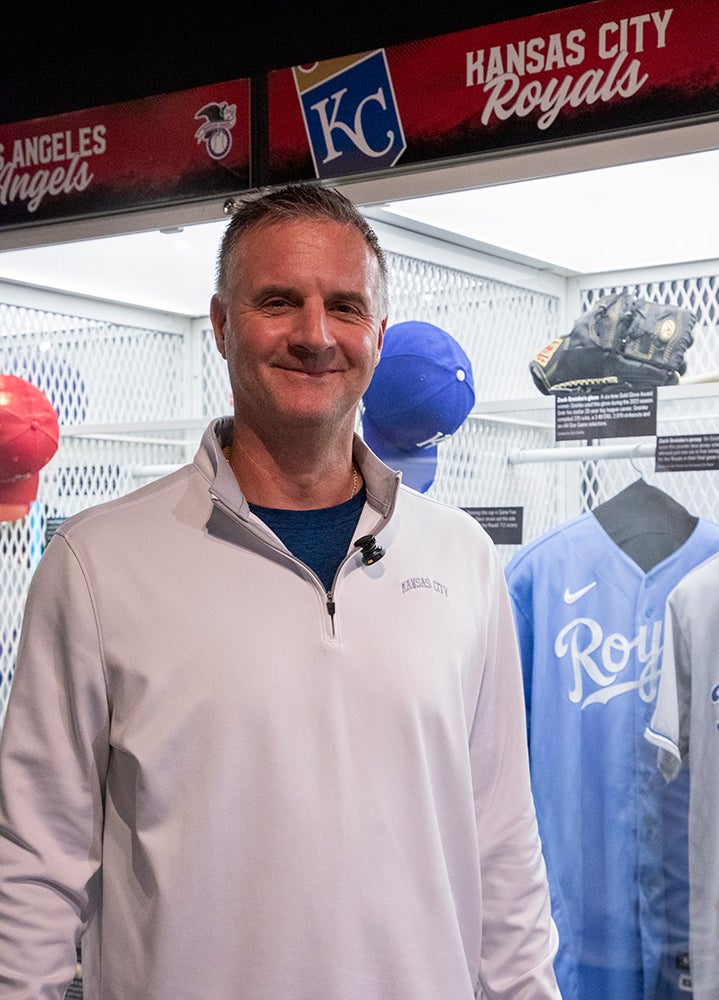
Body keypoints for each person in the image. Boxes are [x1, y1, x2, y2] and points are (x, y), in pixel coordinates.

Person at [0, 183, 562, 1000]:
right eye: (278, 301)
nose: (314, 334)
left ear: (375, 330)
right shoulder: (96, 565)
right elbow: (32, 871)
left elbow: (503, 844)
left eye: (344, 305)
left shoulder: (463, 559)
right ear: (223, 326)